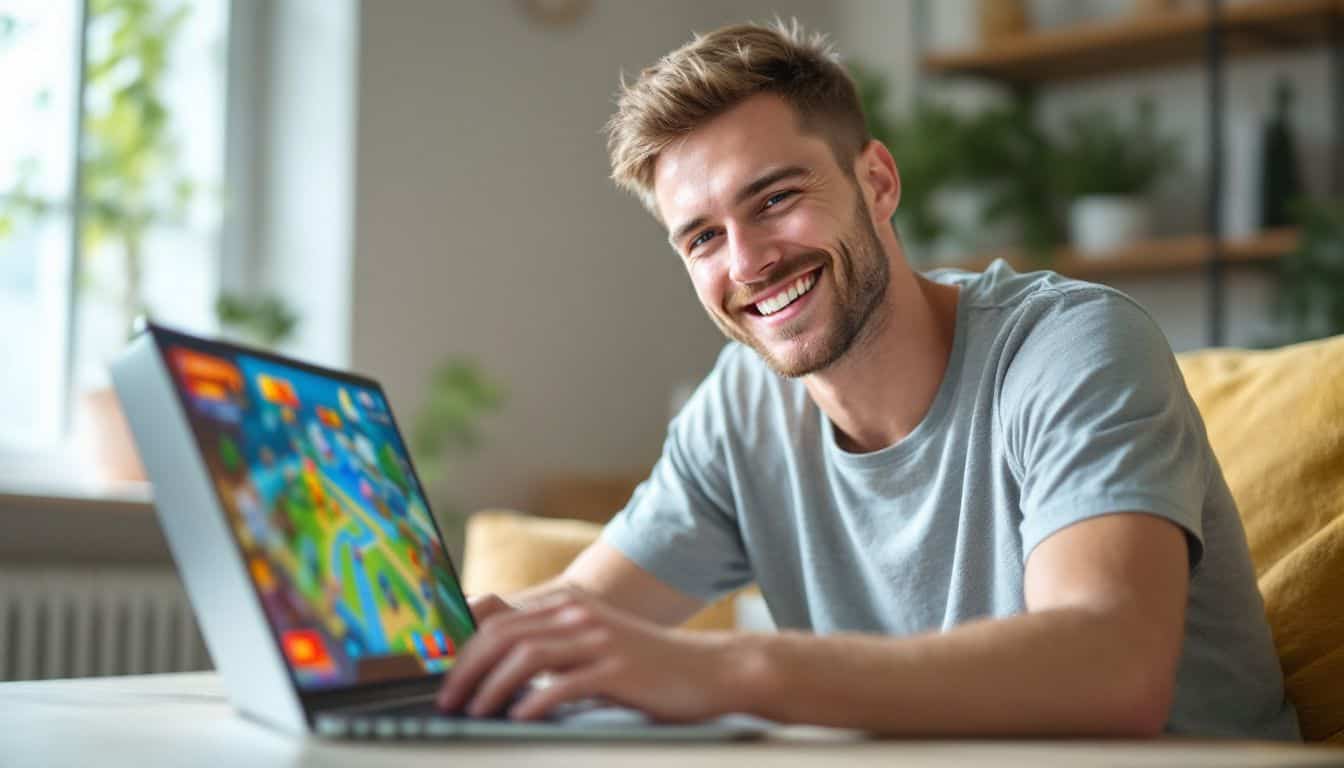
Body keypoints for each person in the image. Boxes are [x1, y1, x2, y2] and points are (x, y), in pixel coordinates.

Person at [436, 20, 1300, 739]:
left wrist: (731, 669)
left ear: (877, 181)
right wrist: (426, 646)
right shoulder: (740, 409)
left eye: (775, 198)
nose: (748, 263)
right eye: (701, 238)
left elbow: (1110, 672)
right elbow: (573, 620)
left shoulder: (1071, 346)